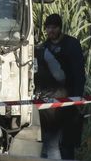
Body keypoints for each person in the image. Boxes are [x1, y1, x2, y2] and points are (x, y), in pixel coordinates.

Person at [35, 13, 86, 159]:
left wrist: (77, 97)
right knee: (50, 141)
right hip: (52, 101)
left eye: (54, 27)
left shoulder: (72, 44)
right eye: (48, 27)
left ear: (60, 28)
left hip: (70, 97)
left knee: (67, 142)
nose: (50, 31)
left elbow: (79, 73)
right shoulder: (44, 47)